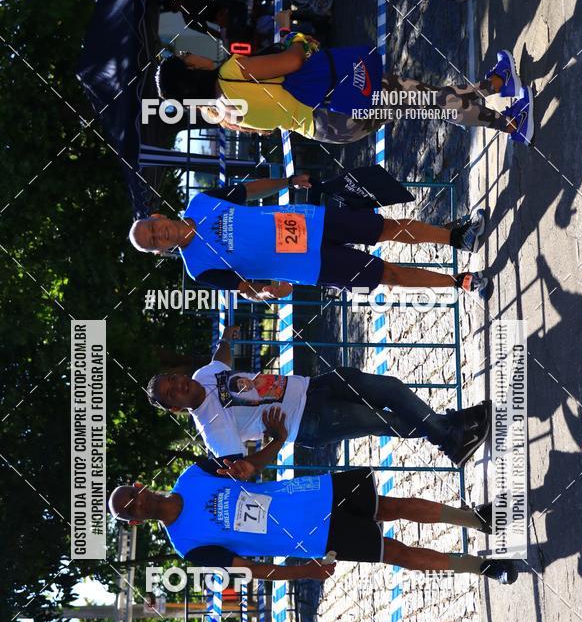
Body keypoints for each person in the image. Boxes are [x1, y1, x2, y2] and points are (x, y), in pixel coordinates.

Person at [108, 462, 519, 583]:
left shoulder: (193, 474)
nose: (139, 503)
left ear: (141, 485)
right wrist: (303, 571)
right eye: (132, 510)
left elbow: (246, 467)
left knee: (392, 505)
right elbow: (249, 569)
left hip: (311, 492)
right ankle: (482, 567)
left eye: (134, 494)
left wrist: (270, 443)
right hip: (314, 536)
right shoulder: (189, 547)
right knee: (397, 553)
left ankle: (476, 519)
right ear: (136, 523)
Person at [145, 325, 492, 468]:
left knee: (389, 387)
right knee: (386, 421)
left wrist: (226, 338)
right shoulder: (211, 429)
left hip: (313, 386)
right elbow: (243, 470)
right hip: (309, 423)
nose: (178, 385)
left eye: (173, 379)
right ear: (175, 408)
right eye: (172, 393)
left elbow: (220, 362)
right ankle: (451, 434)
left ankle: (451, 433)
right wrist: (278, 441)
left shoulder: (201, 376)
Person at [129, 178, 492, 298]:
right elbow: (243, 287)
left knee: (387, 228)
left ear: (157, 216)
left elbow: (248, 191)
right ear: (160, 251)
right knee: (387, 274)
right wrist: (268, 290)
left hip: (308, 222)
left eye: (153, 228)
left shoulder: (201, 201)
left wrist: (288, 182)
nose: (159, 234)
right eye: (153, 241)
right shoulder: (198, 269)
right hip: (312, 266)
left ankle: (457, 237)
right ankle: (459, 282)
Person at [154, 47, 534, 145]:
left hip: (330, 129)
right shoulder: (231, 71)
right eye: (186, 58)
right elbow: (293, 60)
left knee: (421, 100)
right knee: (425, 100)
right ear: (191, 72)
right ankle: (510, 121)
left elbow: (269, 128)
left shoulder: (223, 114)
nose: (192, 55)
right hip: (338, 97)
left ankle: (496, 85)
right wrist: (297, 40)